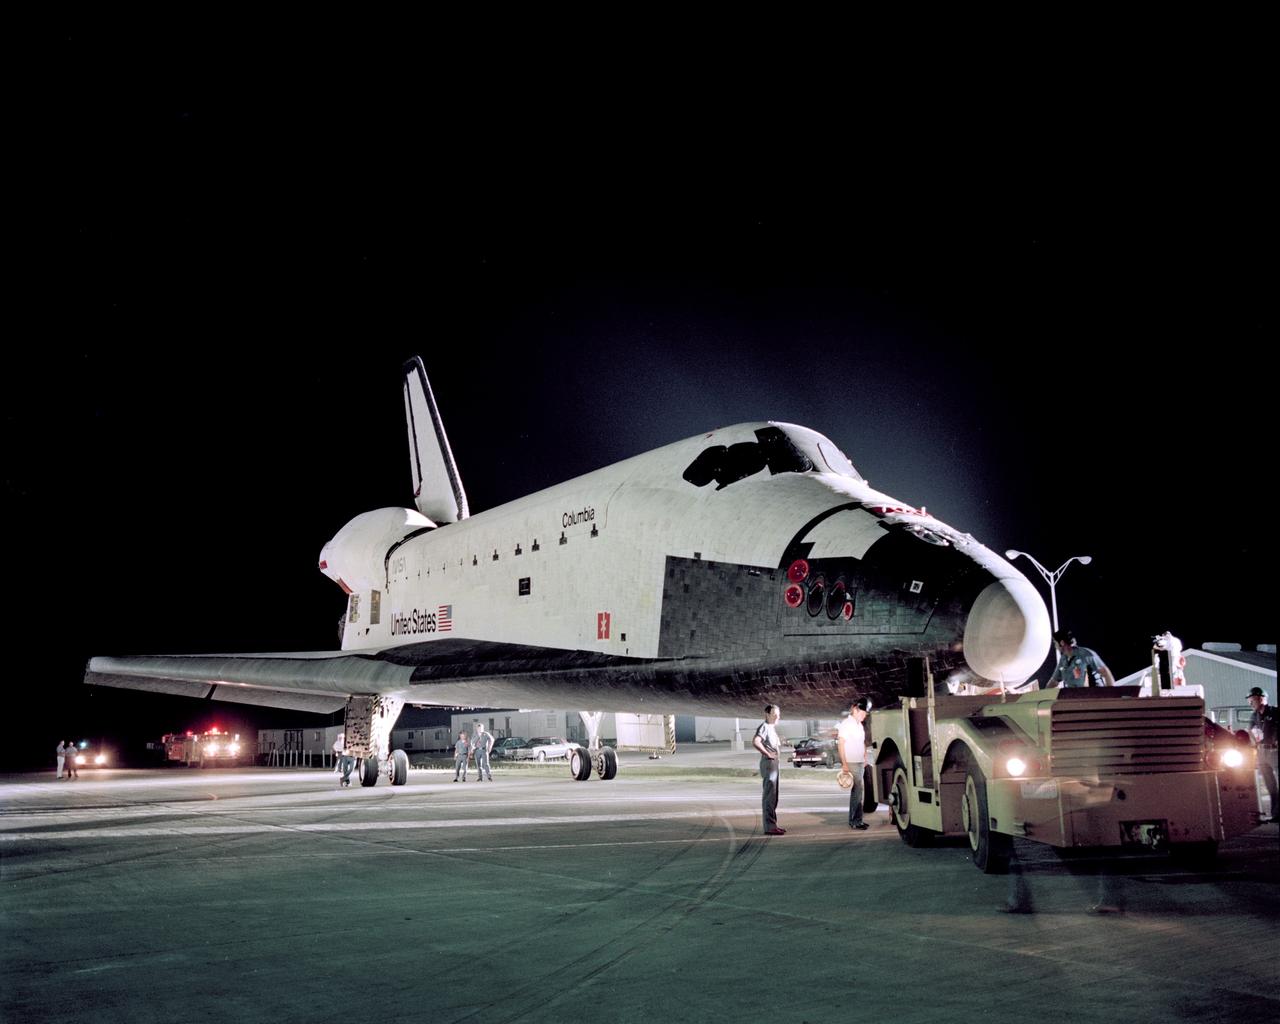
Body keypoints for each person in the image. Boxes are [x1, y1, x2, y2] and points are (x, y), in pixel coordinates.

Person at [837, 699, 872, 830]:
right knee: (857, 792)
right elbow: (841, 744)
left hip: (859, 762)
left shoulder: (859, 725)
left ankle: (857, 819)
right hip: (851, 762)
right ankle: (855, 821)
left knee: (858, 792)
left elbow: (862, 742)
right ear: (855, 709)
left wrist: (864, 756)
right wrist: (844, 764)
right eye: (863, 713)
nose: (864, 716)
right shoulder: (846, 724)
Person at [1246, 686, 1279, 822]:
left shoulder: (1275, 712)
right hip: (1262, 752)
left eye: (1252, 700)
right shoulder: (1254, 716)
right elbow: (1250, 731)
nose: (1250, 703)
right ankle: (1275, 814)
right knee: (1270, 785)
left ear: (1261, 698)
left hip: (1275, 752)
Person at [753, 704, 784, 835]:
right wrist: (767, 753)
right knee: (769, 796)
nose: (777, 717)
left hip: (773, 763)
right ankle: (770, 827)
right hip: (769, 763)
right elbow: (756, 741)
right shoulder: (764, 727)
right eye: (774, 714)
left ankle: (773, 824)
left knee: (774, 796)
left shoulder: (771, 728)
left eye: (778, 714)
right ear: (767, 715)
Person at [1047, 628, 1116, 688]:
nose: (1055, 646)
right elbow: (1054, 682)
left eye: (1055, 643)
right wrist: (1040, 696)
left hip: (1094, 697)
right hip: (1075, 698)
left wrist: (1111, 697)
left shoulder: (1086, 655)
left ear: (1061, 643)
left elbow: (1106, 673)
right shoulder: (1063, 660)